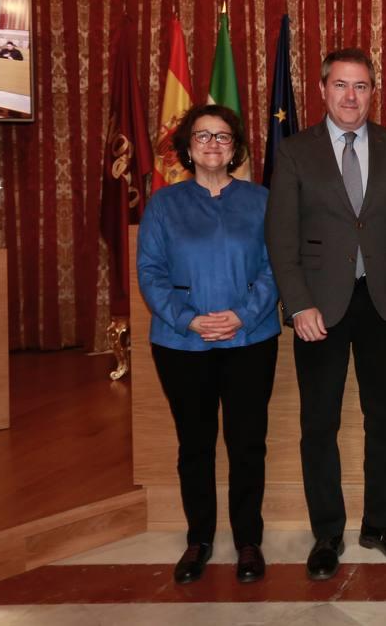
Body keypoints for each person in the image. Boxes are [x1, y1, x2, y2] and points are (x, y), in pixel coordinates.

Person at [265, 48, 386, 581]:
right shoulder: (293, 152)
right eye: (341, 85)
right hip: (320, 306)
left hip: (382, 300)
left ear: (373, 91)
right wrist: (297, 303)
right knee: (320, 423)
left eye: (361, 86)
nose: (351, 97)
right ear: (322, 89)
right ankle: (328, 532)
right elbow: (280, 238)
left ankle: (382, 523)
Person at [137, 104, 279, 585]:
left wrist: (243, 314)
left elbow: (274, 266)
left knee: (247, 444)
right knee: (194, 445)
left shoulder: (261, 200)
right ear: (188, 147)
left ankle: (247, 542)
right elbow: (150, 273)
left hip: (250, 339)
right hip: (182, 344)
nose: (213, 144)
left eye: (222, 136)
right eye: (203, 136)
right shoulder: (163, 205)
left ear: (235, 147)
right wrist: (189, 320)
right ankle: (198, 540)